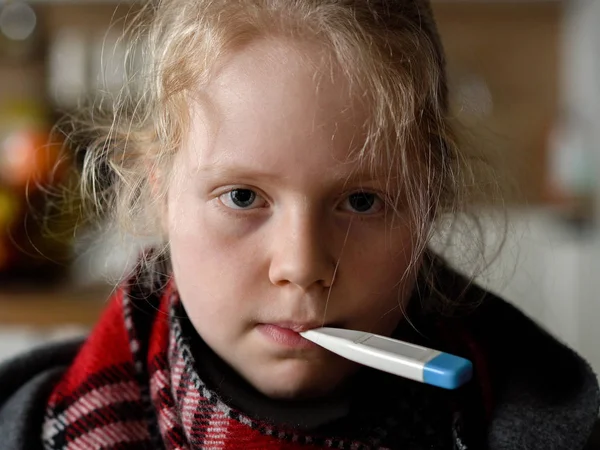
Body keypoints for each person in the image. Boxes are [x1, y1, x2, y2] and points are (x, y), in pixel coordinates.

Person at [1, 0, 599, 448]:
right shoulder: (31, 429)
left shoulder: (552, 423)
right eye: (242, 196)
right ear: (161, 194)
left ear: (427, 204)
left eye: (361, 202)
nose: (302, 266)